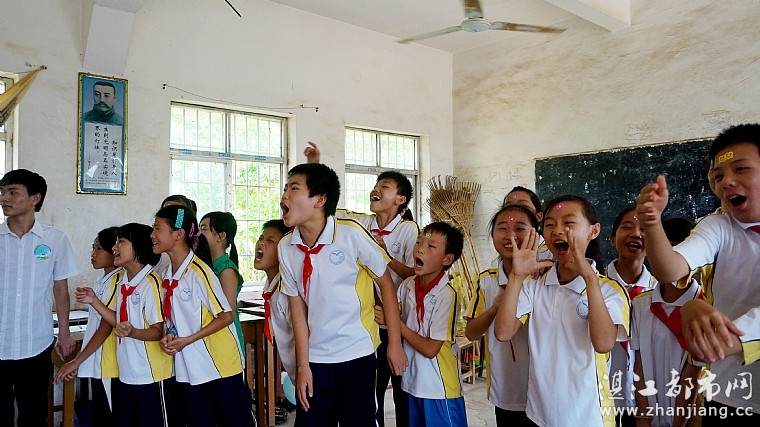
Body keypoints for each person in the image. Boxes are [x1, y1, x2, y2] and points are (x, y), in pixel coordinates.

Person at [636, 123, 760, 421]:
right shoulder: (719, 226)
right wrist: (652, 224)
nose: (726, 182)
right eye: (717, 176)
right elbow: (671, 269)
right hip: (731, 394)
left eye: (741, 169)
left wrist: (721, 338)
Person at [278, 162, 407, 427]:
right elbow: (297, 310)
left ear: (320, 199)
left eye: (294, 189)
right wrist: (302, 367)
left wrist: (393, 343)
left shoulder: (350, 234)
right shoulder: (286, 247)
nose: (284, 196)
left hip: (356, 353)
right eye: (285, 189)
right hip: (316, 357)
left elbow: (386, 285)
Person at [305, 141, 417, 426]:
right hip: (369, 323)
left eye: (385, 186)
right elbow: (326, 208)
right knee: (371, 394)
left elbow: (413, 275)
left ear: (400, 199)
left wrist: (384, 255)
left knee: (403, 391)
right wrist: (315, 168)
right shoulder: (362, 224)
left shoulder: (408, 230)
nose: (376, 190)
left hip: (398, 320)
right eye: (376, 185)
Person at [494, 194, 630, 427]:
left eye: (568, 222)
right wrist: (516, 276)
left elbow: (603, 344)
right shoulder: (535, 285)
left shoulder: (609, 290)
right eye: (549, 224)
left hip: (589, 418)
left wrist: (589, 278)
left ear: (594, 231)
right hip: (538, 415)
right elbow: (503, 332)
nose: (557, 230)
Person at [154, 205, 254, 427]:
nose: (152, 235)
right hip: (191, 365)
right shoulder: (167, 274)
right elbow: (177, 317)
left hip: (220, 365)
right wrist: (170, 334)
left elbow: (226, 316)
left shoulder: (199, 272)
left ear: (178, 234)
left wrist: (187, 340)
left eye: (157, 228)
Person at [0, 168, 80, 427]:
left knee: (34, 415)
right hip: (0, 342)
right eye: (2, 192)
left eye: (13, 192)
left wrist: (65, 333)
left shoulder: (55, 240)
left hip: (36, 343)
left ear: (35, 198)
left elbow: (60, 288)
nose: (4, 198)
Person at [376, 222, 466, 427]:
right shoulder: (408, 286)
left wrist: (393, 322)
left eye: (431, 246)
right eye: (419, 242)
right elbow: (389, 311)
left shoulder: (446, 295)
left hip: (440, 389)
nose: (420, 249)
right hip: (412, 384)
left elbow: (430, 349)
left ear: (447, 259)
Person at [85, 223, 172, 426]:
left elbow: (157, 331)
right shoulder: (123, 281)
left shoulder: (151, 283)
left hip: (150, 374)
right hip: (127, 373)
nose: (115, 247)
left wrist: (133, 332)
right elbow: (118, 319)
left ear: (138, 248)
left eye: (121, 242)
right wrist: (94, 301)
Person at [465, 204, 538, 426]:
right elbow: (471, 333)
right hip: (504, 387)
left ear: (535, 234)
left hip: (541, 388)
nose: (510, 236)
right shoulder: (486, 280)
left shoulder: (542, 278)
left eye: (520, 228)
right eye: (502, 228)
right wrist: (494, 308)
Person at [630, 217, 703, 427]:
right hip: (650, 416)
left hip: (692, 416)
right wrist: (643, 417)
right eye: (661, 251)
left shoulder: (705, 306)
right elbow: (639, 364)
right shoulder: (641, 304)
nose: (666, 260)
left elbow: (695, 372)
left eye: (676, 252)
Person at [53, 227, 123, 425]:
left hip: (109, 364)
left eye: (99, 249)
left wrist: (76, 361)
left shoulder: (117, 281)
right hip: (99, 363)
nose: (93, 254)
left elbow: (105, 327)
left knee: (109, 418)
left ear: (114, 251)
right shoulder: (103, 279)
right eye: (93, 248)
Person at [605, 207, 655, 426]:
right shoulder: (592, 288)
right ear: (612, 239)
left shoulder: (661, 293)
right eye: (627, 227)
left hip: (647, 402)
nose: (636, 234)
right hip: (599, 398)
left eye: (644, 229)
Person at [255, 219, 296, 422]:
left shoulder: (286, 291)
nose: (261, 242)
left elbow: (304, 335)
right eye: (261, 238)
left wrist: (303, 371)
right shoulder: (271, 284)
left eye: (270, 240)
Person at [199, 211, 245, 355]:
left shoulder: (226, 270)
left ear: (221, 236)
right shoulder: (205, 266)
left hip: (225, 340)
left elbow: (227, 315)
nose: (198, 234)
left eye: (204, 229)